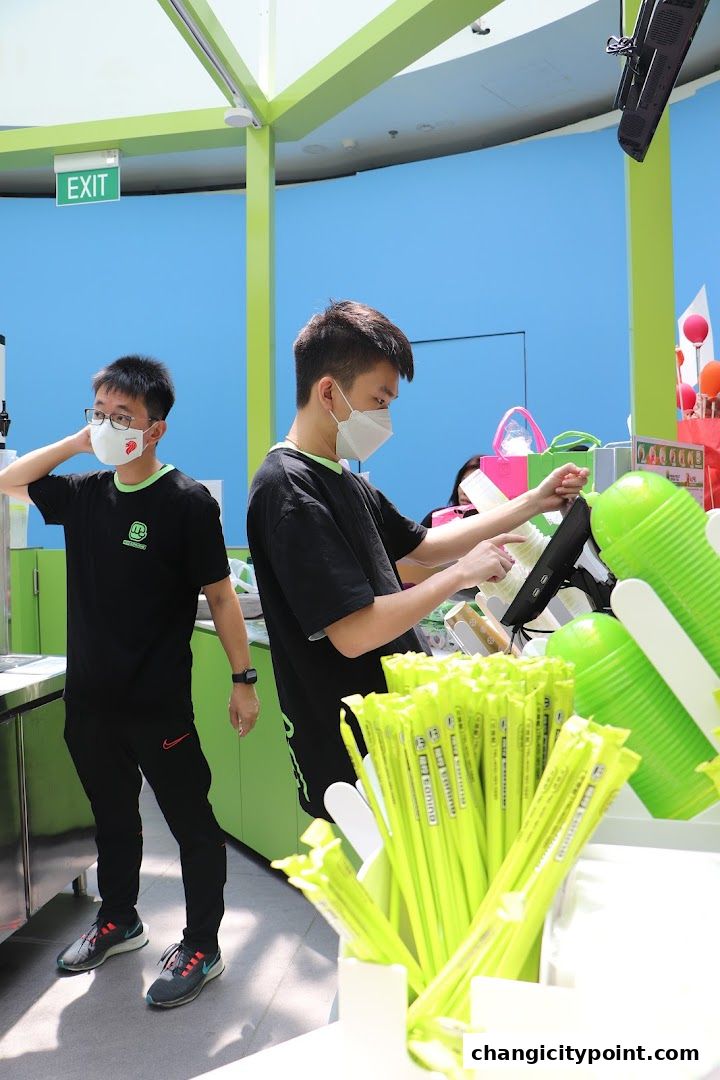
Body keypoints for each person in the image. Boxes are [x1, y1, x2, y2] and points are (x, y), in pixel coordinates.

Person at [247, 301, 587, 819]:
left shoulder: (346, 479)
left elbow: (425, 544)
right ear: (328, 391)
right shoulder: (289, 490)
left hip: (395, 727)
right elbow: (354, 631)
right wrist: (460, 575)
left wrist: (532, 502)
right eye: (377, 400)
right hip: (351, 744)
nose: (384, 417)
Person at [0, 356, 260, 1008]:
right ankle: (121, 919)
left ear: (157, 429)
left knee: (192, 826)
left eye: (125, 418)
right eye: (101, 414)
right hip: (89, 703)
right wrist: (77, 442)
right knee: (113, 820)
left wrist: (243, 678)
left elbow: (223, 600)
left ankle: (203, 943)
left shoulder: (187, 503)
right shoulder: (84, 494)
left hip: (158, 708)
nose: (111, 426)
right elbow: (8, 480)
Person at [420, 454, 483, 528]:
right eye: (463, 481)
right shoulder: (435, 516)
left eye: (475, 485)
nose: (464, 492)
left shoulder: (498, 530)